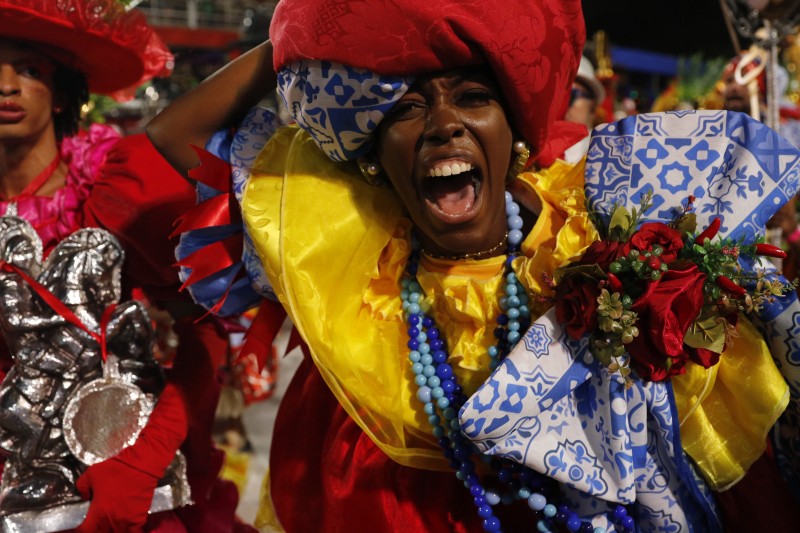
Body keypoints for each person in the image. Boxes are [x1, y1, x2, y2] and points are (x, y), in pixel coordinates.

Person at [148, 0, 800, 531]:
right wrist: (312, 33)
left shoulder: (591, 232)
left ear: (512, 127)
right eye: (405, 109)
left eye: (472, 98)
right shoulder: (345, 267)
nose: (444, 125)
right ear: (375, 156)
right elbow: (172, 137)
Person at [0, 1, 254, 531]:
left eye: (29, 69)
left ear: (65, 90)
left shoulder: (111, 193)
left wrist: (144, 458)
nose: (6, 85)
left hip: (124, 490)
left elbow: (204, 332)